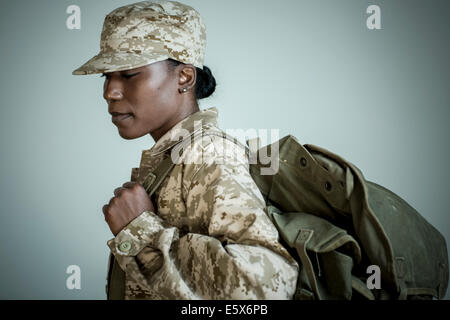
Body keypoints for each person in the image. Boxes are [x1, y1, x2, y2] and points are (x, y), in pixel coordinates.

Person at [72, 0, 299, 299]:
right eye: (107, 76)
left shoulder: (208, 155)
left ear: (185, 77)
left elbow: (266, 290)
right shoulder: (177, 156)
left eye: (128, 74)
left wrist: (140, 231)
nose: (109, 92)